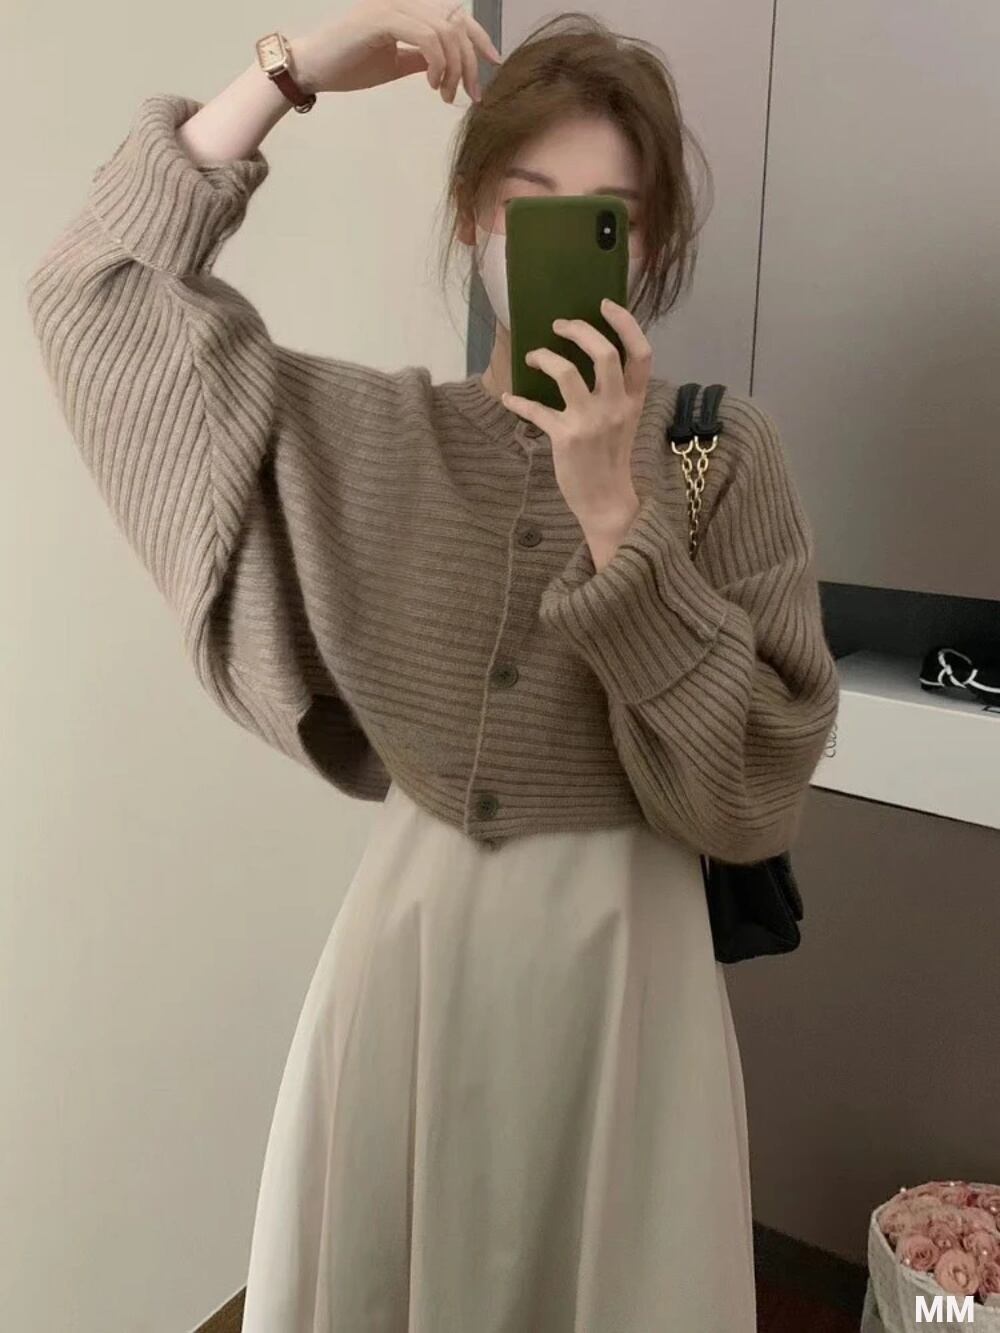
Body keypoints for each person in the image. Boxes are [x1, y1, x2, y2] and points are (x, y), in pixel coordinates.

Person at [26, 5, 840, 1329]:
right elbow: (89, 290)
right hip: (412, 964)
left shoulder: (721, 455)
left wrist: (616, 519)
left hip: (630, 989)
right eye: (530, 202)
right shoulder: (374, 438)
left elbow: (749, 794)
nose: (568, 239)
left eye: (611, 218)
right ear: (472, 216)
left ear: (649, 246)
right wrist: (287, 75)